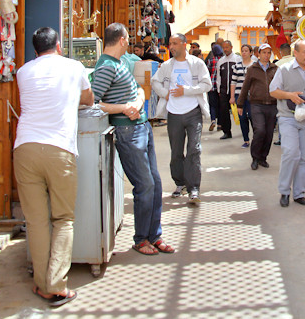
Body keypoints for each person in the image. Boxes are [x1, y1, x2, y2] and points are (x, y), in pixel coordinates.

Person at [15, 27, 93, 306]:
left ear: (35, 50)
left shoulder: (22, 72)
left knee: (36, 221)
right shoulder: (74, 67)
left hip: (25, 148)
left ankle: (42, 284)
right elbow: (88, 99)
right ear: (59, 46)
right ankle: (57, 284)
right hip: (59, 149)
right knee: (63, 219)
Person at [92, 23, 174, 255]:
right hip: (128, 132)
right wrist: (123, 108)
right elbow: (92, 103)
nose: (129, 41)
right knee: (145, 185)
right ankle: (141, 239)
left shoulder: (120, 63)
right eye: (127, 38)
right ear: (121, 39)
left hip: (141, 127)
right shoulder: (106, 66)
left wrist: (137, 102)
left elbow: (137, 89)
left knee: (155, 183)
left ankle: (154, 235)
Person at [151, 33, 211, 206]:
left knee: (194, 150)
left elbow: (207, 85)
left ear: (184, 44)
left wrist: (186, 90)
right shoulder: (167, 66)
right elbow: (155, 82)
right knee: (176, 152)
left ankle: (194, 189)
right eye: (170, 43)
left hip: (193, 113)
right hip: (174, 114)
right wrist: (165, 94)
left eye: (175, 43)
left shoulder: (197, 64)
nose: (171, 47)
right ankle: (180, 183)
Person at [269, 40, 305, 207]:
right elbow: (273, 91)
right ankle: (284, 191)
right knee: (291, 153)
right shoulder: (284, 69)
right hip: (288, 117)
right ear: (295, 53)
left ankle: (299, 193)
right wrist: (289, 95)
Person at [237, 43, 278, 171]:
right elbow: (245, 87)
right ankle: (255, 158)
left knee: (269, 133)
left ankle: (263, 158)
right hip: (256, 105)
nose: (266, 55)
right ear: (258, 54)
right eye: (264, 52)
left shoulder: (275, 69)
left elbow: (280, 86)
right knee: (260, 130)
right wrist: (240, 104)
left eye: (268, 53)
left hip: (272, 105)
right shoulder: (252, 69)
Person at [229, 44, 255, 148]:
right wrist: (232, 97)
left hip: (253, 96)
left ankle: (256, 139)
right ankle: (246, 140)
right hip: (239, 96)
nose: (244, 53)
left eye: (246, 51)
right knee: (242, 117)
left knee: (253, 116)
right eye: (242, 51)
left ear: (251, 53)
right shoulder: (237, 66)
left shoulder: (255, 65)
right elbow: (233, 82)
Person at [216, 40, 241, 140]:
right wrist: (219, 89)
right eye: (224, 48)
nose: (225, 49)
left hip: (236, 90)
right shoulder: (220, 61)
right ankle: (227, 132)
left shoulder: (237, 59)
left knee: (241, 111)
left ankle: (245, 131)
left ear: (231, 47)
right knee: (224, 112)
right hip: (223, 90)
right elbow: (218, 76)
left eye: (227, 47)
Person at [206, 43, 223, 131]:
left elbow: (207, 72)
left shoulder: (210, 60)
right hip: (220, 86)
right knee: (220, 105)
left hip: (212, 85)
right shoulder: (223, 60)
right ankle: (220, 124)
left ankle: (213, 120)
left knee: (212, 105)